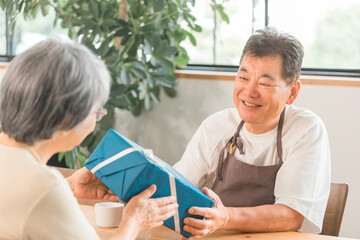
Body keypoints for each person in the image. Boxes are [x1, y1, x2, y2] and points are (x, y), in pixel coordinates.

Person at [0, 39, 178, 240]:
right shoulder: (44, 186)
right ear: (68, 117)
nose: (97, 118)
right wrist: (134, 221)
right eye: (97, 111)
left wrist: (70, 186)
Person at [174, 27, 331, 239]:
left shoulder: (306, 129)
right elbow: (175, 188)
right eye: (243, 77)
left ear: (292, 92)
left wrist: (226, 217)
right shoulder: (217, 126)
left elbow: (292, 216)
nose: (249, 91)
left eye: (264, 83)